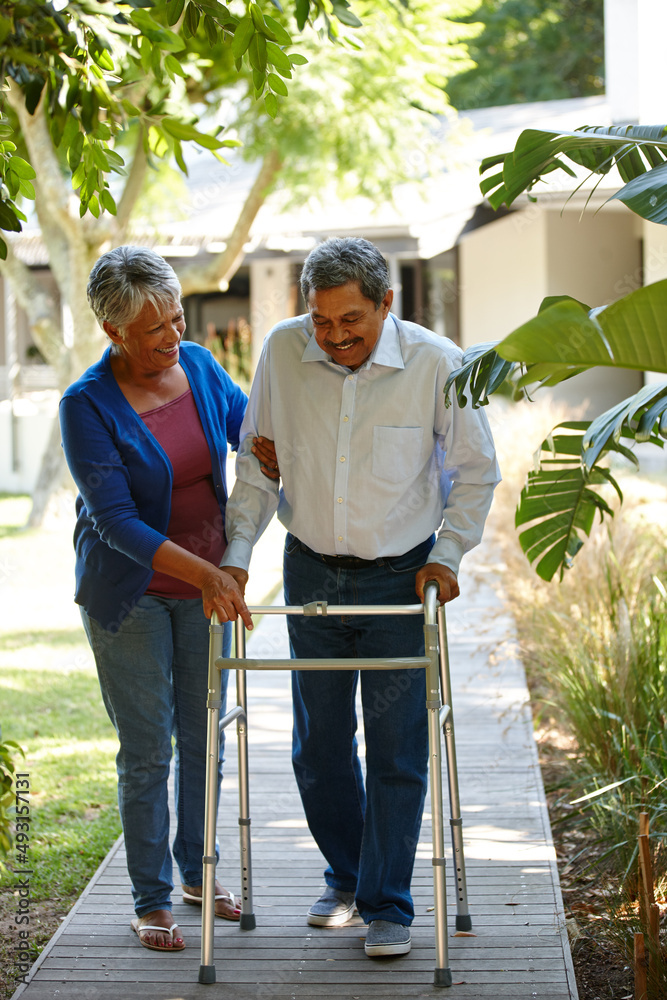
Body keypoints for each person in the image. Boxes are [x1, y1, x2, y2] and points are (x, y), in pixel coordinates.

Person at [221, 237, 500, 958]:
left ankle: (387, 904)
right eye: (322, 321)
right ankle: (347, 875)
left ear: (386, 304)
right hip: (311, 569)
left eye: (353, 321)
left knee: (397, 745)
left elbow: (474, 472)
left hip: (398, 576)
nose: (336, 336)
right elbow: (257, 467)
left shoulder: (438, 363)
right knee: (316, 749)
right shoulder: (283, 354)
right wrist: (238, 556)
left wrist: (446, 555)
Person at [59, 246, 277, 953]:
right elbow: (115, 520)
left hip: (205, 588)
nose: (171, 337)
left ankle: (197, 872)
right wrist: (207, 574)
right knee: (148, 749)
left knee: (203, 738)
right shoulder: (85, 406)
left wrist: (271, 448)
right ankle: (150, 899)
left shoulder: (203, 369)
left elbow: (248, 431)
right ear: (114, 333)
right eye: (153, 330)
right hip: (132, 594)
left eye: (176, 319)